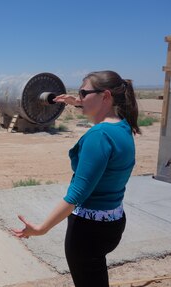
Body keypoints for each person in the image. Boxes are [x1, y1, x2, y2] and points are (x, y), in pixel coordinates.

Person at [12, 70, 141, 287]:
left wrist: (41, 228)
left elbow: (77, 194)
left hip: (88, 231)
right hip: (113, 221)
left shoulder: (99, 136)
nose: (79, 98)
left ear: (106, 96)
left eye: (83, 92)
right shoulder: (123, 125)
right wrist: (78, 102)